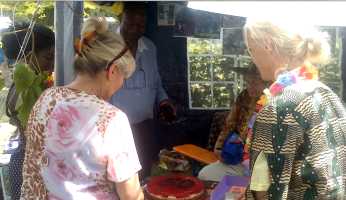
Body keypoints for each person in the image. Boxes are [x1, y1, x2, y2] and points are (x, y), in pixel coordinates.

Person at [20, 17, 144, 200]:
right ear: (112, 71)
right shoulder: (111, 118)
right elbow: (131, 195)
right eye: (123, 78)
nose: (121, 84)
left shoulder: (46, 98)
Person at [244, 19, 345, 199]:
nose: (251, 57)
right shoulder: (325, 92)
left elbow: (266, 191)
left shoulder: (279, 107)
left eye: (251, 49)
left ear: (267, 46)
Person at [110, 2, 176, 179]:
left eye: (140, 26)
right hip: (115, 130)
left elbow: (157, 83)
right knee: (121, 178)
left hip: (145, 127)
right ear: (120, 18)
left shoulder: (150, 48)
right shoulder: (107, 48)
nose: (135, 30)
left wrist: (164, 100)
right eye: (131, 24)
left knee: (145, 172)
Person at [1, 24, 55, 200]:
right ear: (28, 57)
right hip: (29, 166)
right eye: (49, 57)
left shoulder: (31, 86)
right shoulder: (26, 91)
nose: (53, 64)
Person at [198, 64, 266, 182]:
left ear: (266, 83)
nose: (250, 87)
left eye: (254, 83)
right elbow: (230, 123)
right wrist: (219, 147)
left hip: (258, 163)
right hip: (236, 156)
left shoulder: (273, 102)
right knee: (204, 174)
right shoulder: (244, 96)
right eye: (248, 82)